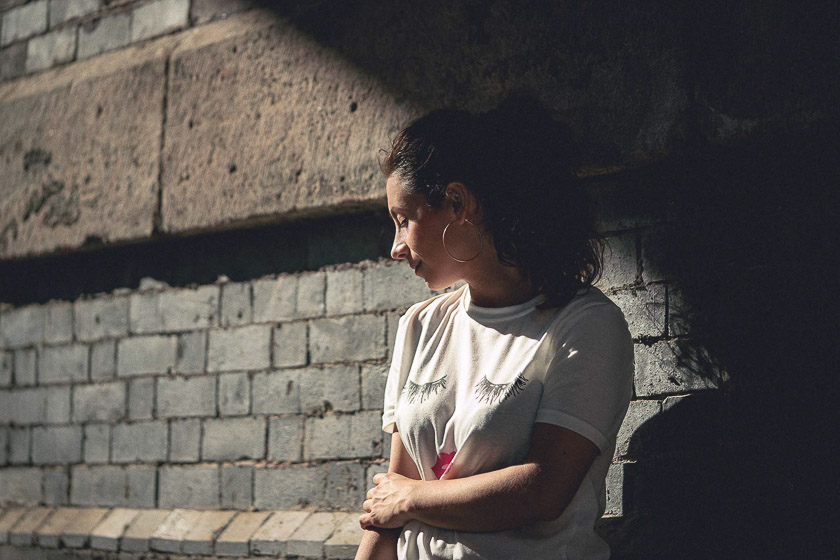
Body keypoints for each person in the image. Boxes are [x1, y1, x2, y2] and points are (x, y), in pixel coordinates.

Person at [355, 97, 634, 560]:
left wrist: (412, 498)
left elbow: (543, 490)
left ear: (457, 203)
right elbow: (385, 513)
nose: (396, 247)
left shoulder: (585, 326)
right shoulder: (421, 326)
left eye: (404, 220)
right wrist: (397, 503)